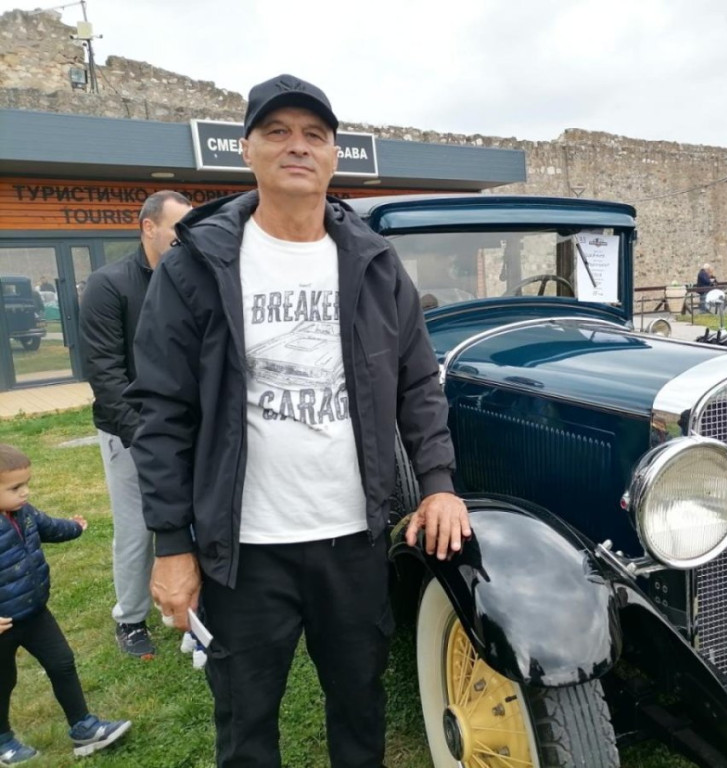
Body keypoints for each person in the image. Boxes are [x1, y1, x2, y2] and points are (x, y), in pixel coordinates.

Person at [126, 74, 470, 768]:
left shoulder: (375, 263)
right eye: (277, 131)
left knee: (360, 709)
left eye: (315, 135)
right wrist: (171, 543)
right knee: (246, 724)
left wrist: (438, 483)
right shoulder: (196, 265)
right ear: (247, 149)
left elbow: (417, 383)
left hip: (353, 542)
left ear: (334, 155)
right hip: (244, 550)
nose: (298, 146)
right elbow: (160, 410)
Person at [78, 190, 192, 660]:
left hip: (186, 427)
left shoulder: (188, 278)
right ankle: (130, 618)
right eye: (177, 228)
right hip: (129, 432)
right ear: (148, 227)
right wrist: (146, 437)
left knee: (193, 522)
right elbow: (105, 372)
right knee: (136, 529)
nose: (185, 237)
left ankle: (191, 614)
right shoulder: (109, 285)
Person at [0, 444, 131, 763]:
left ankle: (83, 727)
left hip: (35, 613)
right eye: (15, 488)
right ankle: (2, 739)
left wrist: (74, 527)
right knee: (4, 681)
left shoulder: (23, 513)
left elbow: (48, 527)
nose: (25, 492)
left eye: (26, 484)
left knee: (62, 663)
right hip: (2, 626)